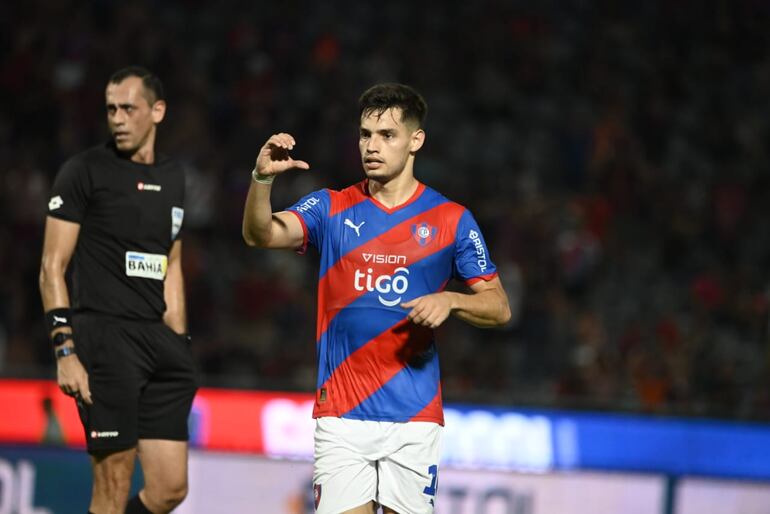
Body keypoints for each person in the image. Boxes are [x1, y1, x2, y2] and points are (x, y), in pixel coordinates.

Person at [242, 83, 511, 514]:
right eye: (366, 134)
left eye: (387, 135)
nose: (372, 145)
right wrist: (261, 180)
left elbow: (499, 306)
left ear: (415, 141)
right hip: (342, 414)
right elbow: (259, 234)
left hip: (414, 417)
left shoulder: (451, 220)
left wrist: (452, 301)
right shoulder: (330, 207)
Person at [39, 66, 197, 514]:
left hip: (158, 341)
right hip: (104, 339)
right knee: (113, 482)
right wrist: (65, 352)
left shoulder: (174, 177)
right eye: (111, 108)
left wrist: (180, 341)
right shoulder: (83, 171)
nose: (118, 118)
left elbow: (173, 264)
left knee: (170, 489)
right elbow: (51, 266)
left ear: (157, 111)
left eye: (129, 108)